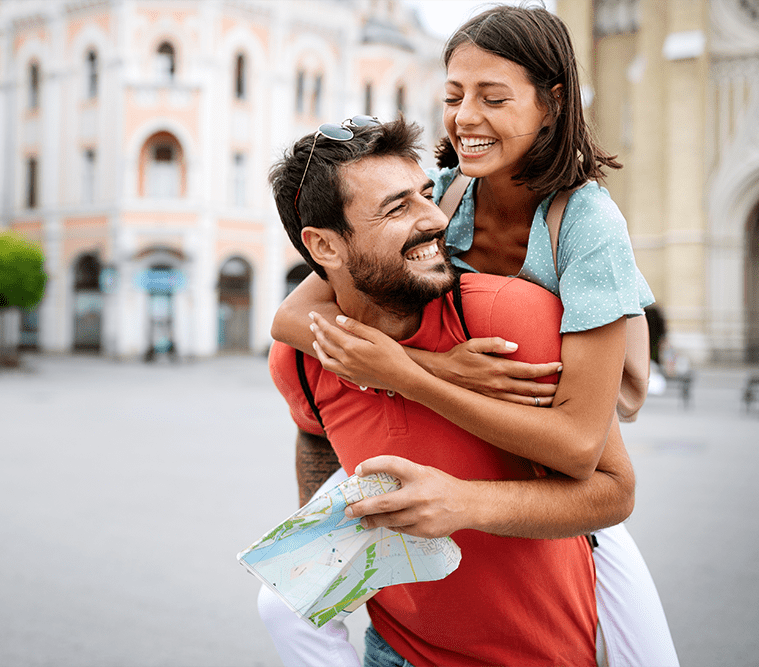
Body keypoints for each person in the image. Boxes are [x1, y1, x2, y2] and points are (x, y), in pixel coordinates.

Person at [266, 6, 679, 667]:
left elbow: (580, 447)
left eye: (493, 97)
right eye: (454, 96)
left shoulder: (588, 226)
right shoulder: (448, 193)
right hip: (482, 411)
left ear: (552, 103)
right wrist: (439, 367)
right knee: (279, 600)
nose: (465, 119)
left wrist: (411, 376)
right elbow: (291, 318)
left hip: (576, 411)